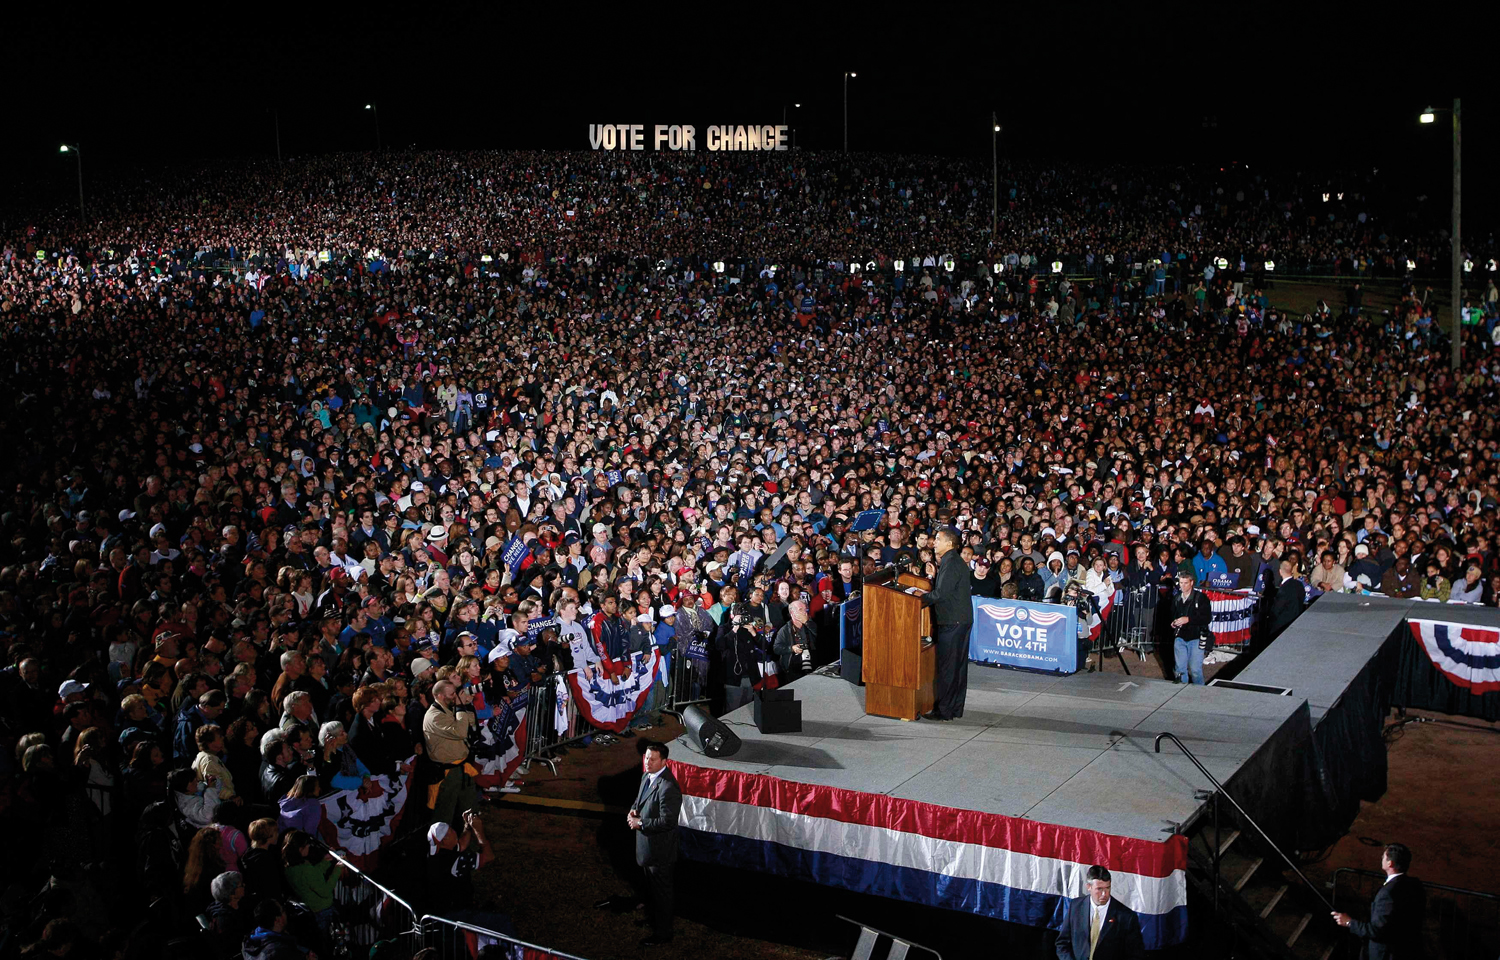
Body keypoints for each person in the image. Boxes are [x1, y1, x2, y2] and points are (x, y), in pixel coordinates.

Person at [1331, 843, 1426, 959]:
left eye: (1384, 856)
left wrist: (1349, 922)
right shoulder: (1415, 885)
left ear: (1390, 863)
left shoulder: (1388, 893)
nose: (1381, 858)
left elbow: (1377, 931)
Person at [629, 742, 681, 947]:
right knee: (652, 889)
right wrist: (633, 810)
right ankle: (653, 920)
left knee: (662, 894)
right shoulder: (647, 777)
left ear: (664, 762)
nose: (647, 762)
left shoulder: (668, 787)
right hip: (648, 848)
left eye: (652, 759)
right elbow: (639, 801)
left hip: (660, 852)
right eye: (646, 758)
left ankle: (663, 933)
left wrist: (641, 823)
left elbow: (668, 821)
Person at [919, 527, 973, 722]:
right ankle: (954, 708)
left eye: (938, 539)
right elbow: (947, 589)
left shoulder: (951, 563)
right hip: (960, 620)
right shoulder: (953, 561)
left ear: (949, 543)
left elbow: (941, 594)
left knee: (948, 668)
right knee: (957, 667)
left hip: (952, 621)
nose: (934, 543)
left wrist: (918, 599)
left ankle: (943, 710)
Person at [1054, 864, 1146, 960]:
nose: (1104, 894)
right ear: (1089, 887)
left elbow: (1136, 954)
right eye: (1099, 889)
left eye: (1107, 888)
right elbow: (1062, 943)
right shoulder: (1075, 907)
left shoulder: (1126, 917)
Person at [1167, 571, 1211, 685]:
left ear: (1191, 583)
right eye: (1181, 583)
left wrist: (1189, 619)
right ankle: (1181, 691)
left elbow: (1207, 618)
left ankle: (1199, 691)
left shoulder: (1201, 598)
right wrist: (1173, 622)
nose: (1182, 586)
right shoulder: (1176, 598)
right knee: (1180, 670)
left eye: (1185, 583)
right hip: (1180, 637)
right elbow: (1172, 614)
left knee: (1195, 670)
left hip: (1196, 637)